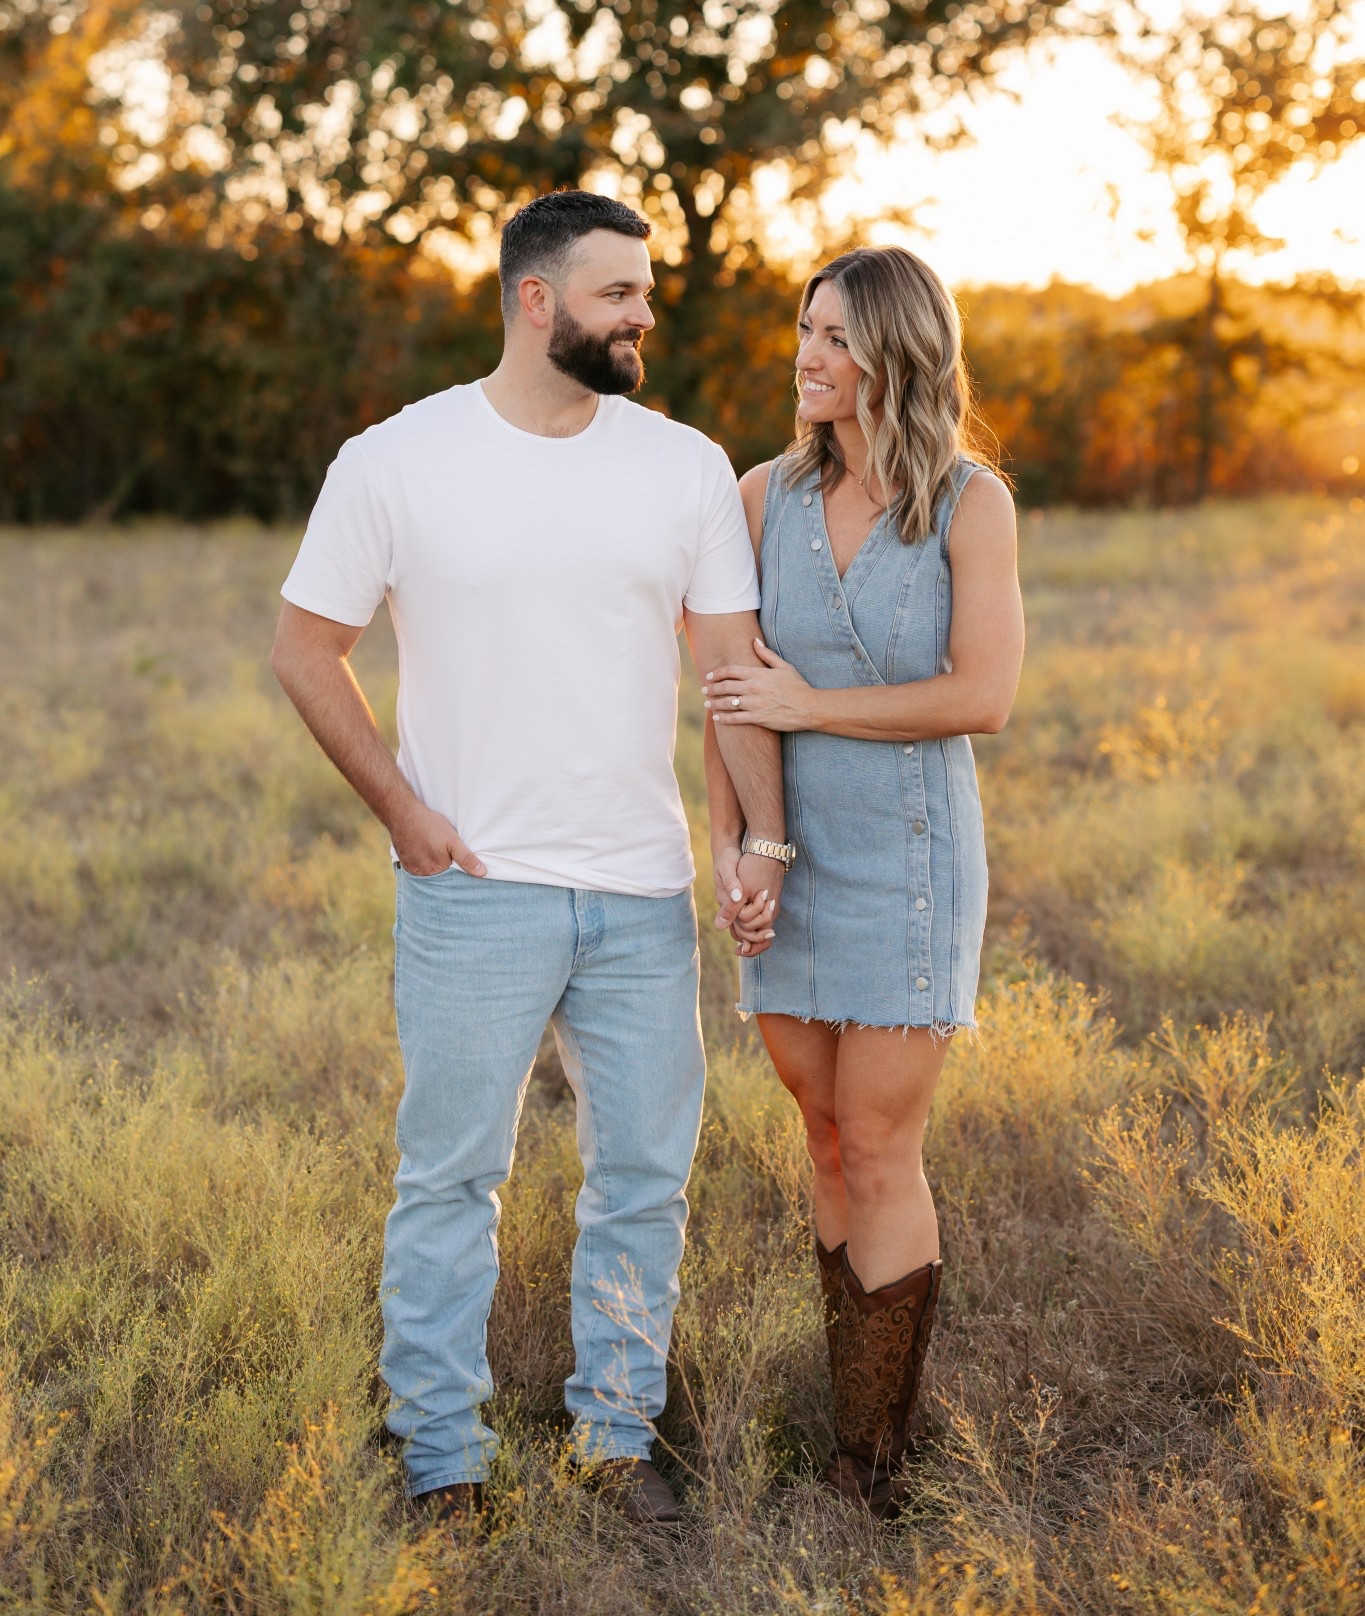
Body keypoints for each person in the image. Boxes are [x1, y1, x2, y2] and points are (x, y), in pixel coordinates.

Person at [269, 189, 789, 1532]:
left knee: (643, 1178)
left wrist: (754, 837)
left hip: (640, 891)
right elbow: (302, 649)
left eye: (644, 293)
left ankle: (616, 1441)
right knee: (449, 1177)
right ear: (535, 298)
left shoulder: (679, 465)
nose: (642, 316)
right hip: (471, 891)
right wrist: (400, 809)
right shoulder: (396, 459)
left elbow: (730, 669)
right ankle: (439, 1452)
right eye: (619, 293)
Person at [702, 246, 1024, 1517]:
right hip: (787, 855)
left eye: (835, 335)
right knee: (822, 1134)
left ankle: (867, 1465)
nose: (807, 353)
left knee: (883, 1141)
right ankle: (861, 1400)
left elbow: (980, 696)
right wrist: (731, 842)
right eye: (803, 327)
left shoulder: (967, 501)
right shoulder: (756, 496)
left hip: (909, 862)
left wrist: (812, 702)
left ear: (896, 351)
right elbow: (727, 693)